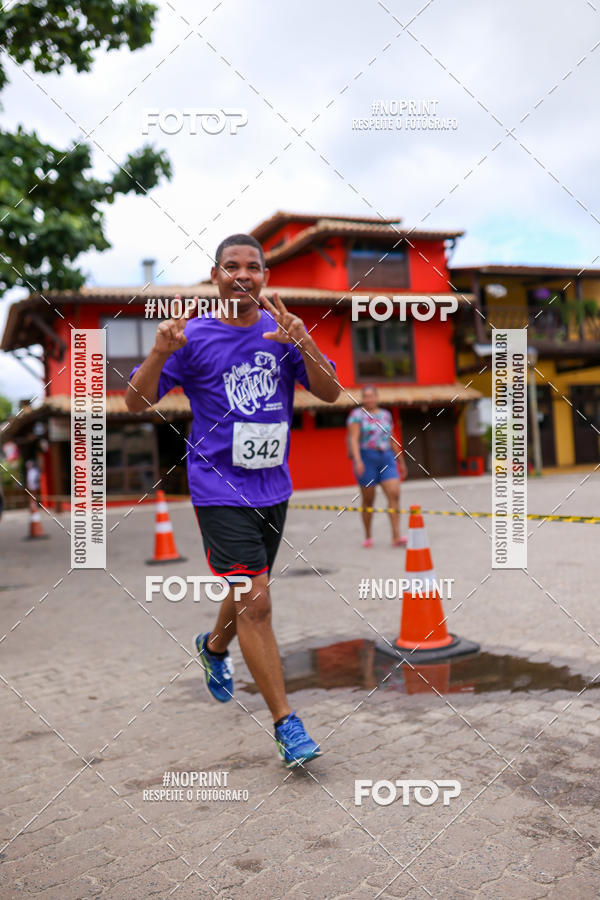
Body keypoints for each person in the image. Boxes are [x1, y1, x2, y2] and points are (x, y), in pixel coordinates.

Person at [126, 234, 339, 768]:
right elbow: (135, 401)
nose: (243, 275)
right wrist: (158, 353)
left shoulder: (282, 332)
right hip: (219, 488)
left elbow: (332, 393)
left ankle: (214, 648)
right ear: (216, 276)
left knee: (249, 588)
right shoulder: (192, 338)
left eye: (253, 267)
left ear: (264, 276)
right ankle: (287, 724)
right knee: (258, 600)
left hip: (275, 485)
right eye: (232, 266)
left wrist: (305, 344)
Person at [346, 385, 408, 547]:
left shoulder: (386, 415)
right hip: (367, 458)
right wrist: (358, 460)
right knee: (368, 499)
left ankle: (396, 536)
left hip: (386, 457)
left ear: (377, 397)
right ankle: (368, 535)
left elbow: (392, 438)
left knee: (394, 494)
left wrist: (401, 461)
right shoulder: (356, 415)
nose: (369, 399)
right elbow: (353, 439)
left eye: (371, 396)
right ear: (362, 399)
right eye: (365, 396)